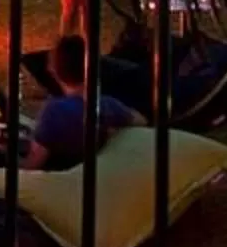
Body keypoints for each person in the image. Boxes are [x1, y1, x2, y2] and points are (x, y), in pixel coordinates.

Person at [29, 32, 143, 168]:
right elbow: (141, 120)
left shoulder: (54, 112)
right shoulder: (107, 105)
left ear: (53, 71)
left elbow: (32, 164)